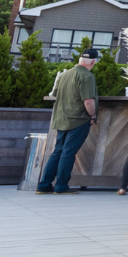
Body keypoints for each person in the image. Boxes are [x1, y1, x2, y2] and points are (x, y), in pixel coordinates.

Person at [36, 48, 99, 195]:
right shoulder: (87, 76)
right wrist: (93, 116)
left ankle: (44, 185)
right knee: (68, 152)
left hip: (62, 118)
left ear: (80, 59)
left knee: (58, 151)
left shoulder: (64, 74)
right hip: (78, 119)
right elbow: (88, 101)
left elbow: (55, 94)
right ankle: (61, 186)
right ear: (94, 62)